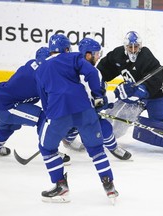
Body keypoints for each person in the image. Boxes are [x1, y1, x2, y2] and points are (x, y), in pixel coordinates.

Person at [35, 34, 118, 203]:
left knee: (47, 148)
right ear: (67, 48)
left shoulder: (41, 68)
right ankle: (109, 185)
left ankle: (61, 186)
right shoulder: (74, 57)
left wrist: (50, 115)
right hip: (84, 109)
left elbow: (43, 98)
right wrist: (97, 96)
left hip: (59, 113)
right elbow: (92, 72)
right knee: (96, 150)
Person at [0, 47, 70, 163]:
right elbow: (49, 102)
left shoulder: (33, 65)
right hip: (7, 107)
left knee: (7, 126)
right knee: (43, 117)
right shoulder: (41, 77)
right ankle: (50, 151)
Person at [62, 37, 132, 160]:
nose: (98, 56)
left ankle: (67, 139)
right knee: (104, 127)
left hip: (71, 110)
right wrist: (107, 102)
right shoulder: (93, 73)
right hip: (77, 110)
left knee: (71, 124)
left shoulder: (70, 66)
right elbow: (99, 101)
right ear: (88, 55)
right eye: (96, 54)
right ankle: (113, 147)